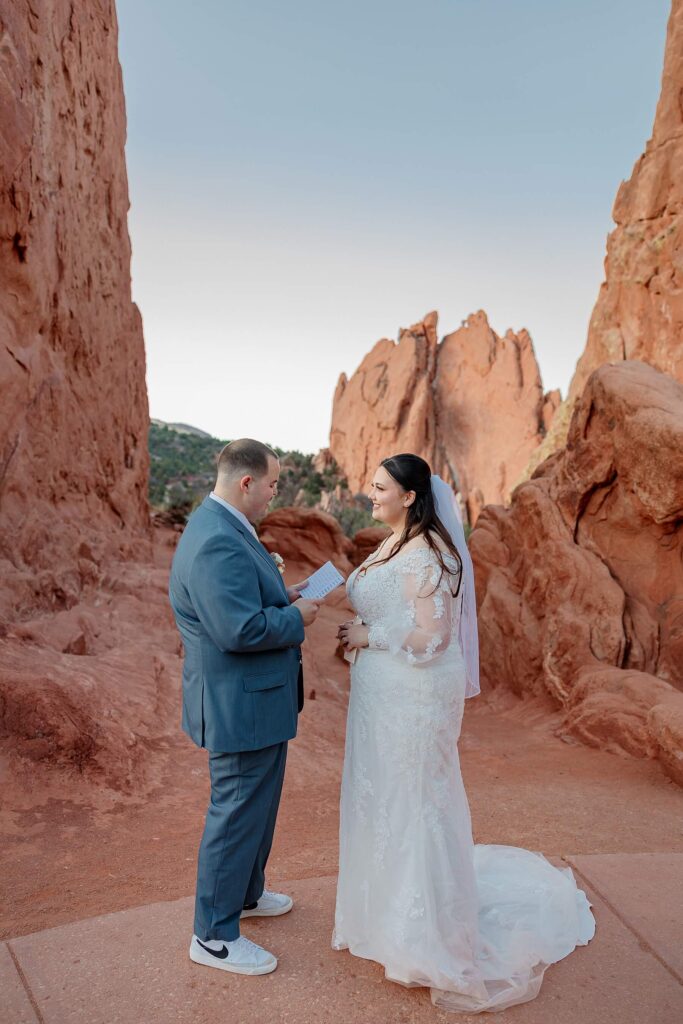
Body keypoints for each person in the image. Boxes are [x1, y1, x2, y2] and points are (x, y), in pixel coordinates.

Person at [334, 453, 595, 1012]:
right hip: (382, 696)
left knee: (414, 800)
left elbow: (431, 640)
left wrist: (367, 635)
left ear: (409, 496)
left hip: (414, 697)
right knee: (385, 801)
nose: (370, 494)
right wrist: (362, 634)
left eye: (380, 488)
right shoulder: (392, 542)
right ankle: (382, 917)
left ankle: (427, 939)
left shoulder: (430, 553)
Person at [169, 438, 320, 976]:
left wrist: (289, 594)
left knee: (258, 804)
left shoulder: (227, 527)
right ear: (246, 482)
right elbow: (238, 629)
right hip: (239, 704)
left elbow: (247, 600)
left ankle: (247, 895)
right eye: (274, 483)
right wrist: (296, 619)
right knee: (234, 814)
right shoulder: (216, 539)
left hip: (257, 701)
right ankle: (211, 936)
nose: (278, 492)